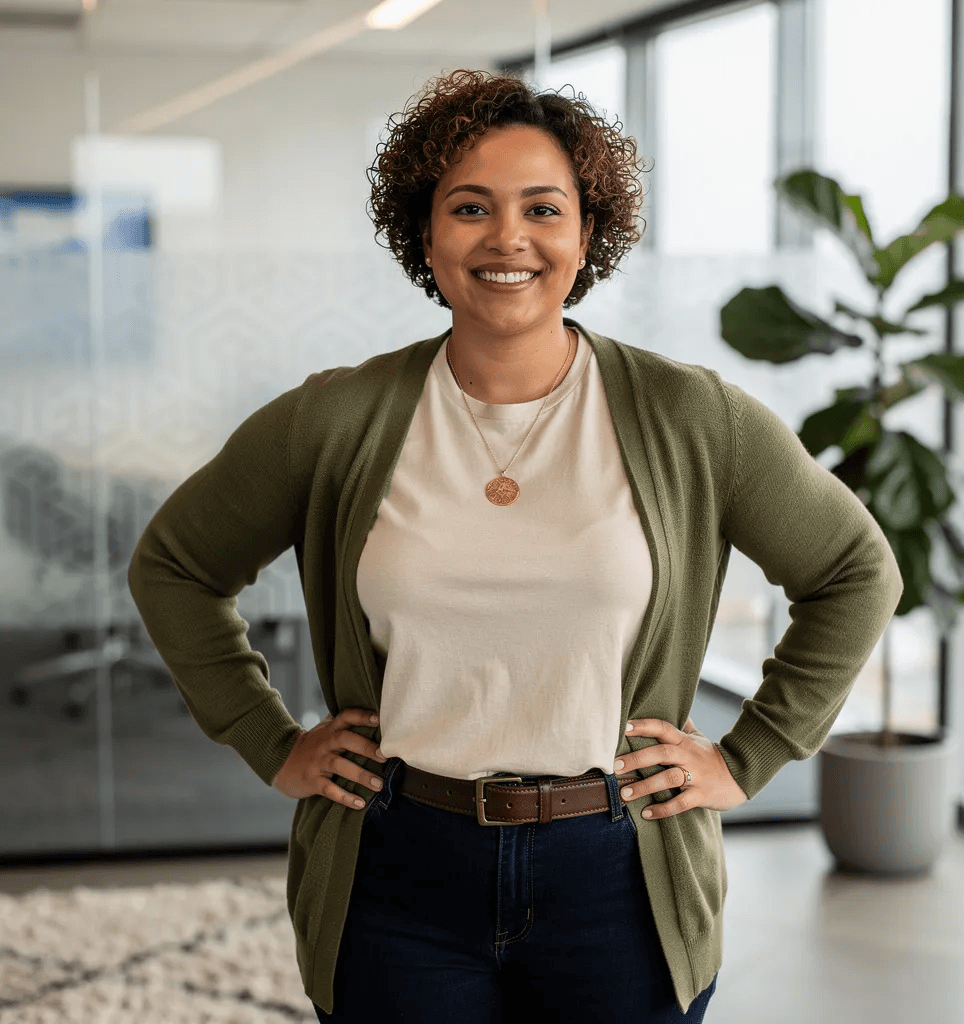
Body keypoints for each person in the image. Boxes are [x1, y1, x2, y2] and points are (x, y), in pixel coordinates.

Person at [127, 69, 903, 1023]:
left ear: (587, 235)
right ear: (425, 233)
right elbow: (175, 566)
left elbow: (855, 571)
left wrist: (750, 754)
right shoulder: (334, 419)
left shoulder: (691, 416)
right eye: (470, 208)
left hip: (621, 874)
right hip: (395, 868)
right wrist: (268, 739)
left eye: (544, 207)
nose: (508, 238)